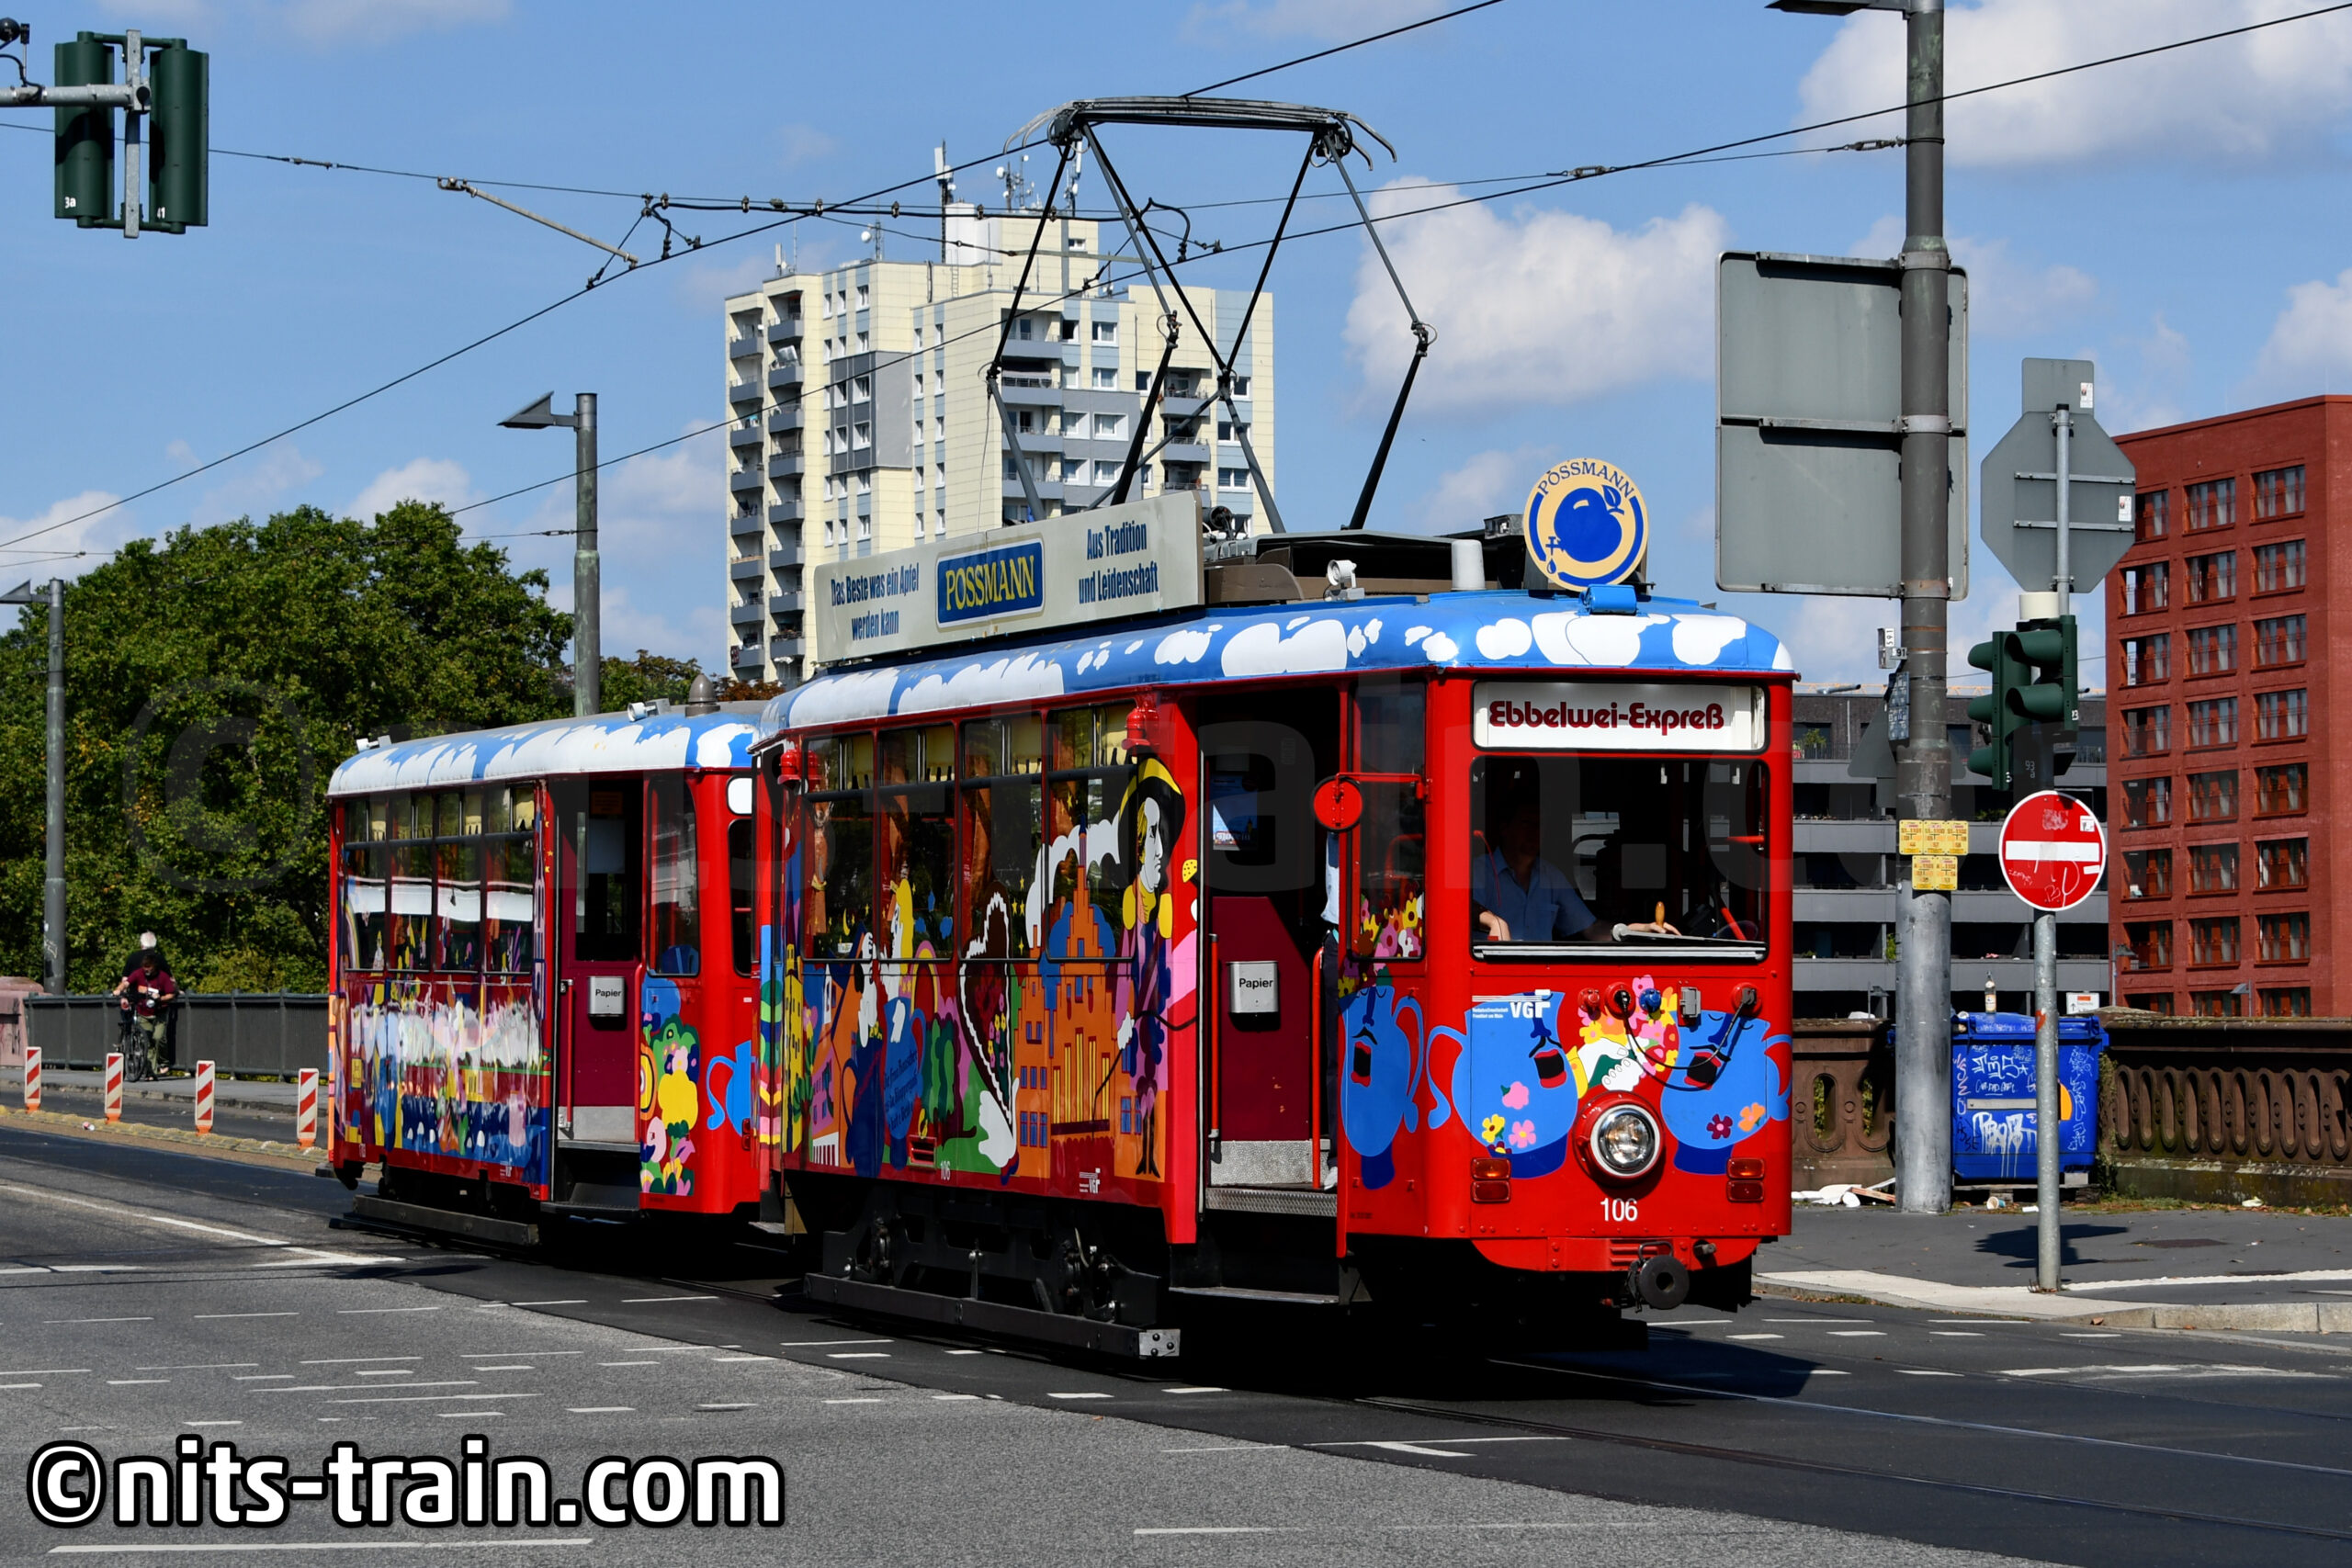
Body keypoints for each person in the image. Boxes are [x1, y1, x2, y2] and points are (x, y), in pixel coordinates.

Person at [1472, 797, 1679, 944]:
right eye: (1527, 823)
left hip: (1541, 980)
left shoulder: (1550, 876)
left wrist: (1640, 930)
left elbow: (1592, 929)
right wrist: (1493, 921)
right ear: (1504, 828)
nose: (1534, 832)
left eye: (1540, 825)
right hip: (1492, 980)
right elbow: (1458, 911)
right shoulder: (1479, 871)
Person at [111, 935, 178, 1077]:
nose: (146, 971)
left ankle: (158, 1063)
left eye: (149, 968)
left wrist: (162, 998)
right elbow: (126, 982)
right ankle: (151, 1071)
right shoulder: (145, 968)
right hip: (142, 1009)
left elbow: (170, 989)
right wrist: (118, 990)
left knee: (158, 1038)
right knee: (147, 1040)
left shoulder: (158, 974)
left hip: (158, 1009)